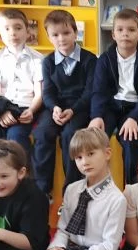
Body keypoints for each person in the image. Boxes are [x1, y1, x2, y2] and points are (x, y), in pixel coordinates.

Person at [32, 10, 97, 198]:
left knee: (71, 135)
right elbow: (48, 91)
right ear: (49, 37)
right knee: (42, 133)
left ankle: (71, 190)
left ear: (76, 33)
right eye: (55, 35)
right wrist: (54, 108)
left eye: (66, 33)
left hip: (80, 107)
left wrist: (73, 110)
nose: (61, 38)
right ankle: (43, 190)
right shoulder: (48, 62)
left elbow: (90, 91)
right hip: (56, 107)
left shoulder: (90, 60)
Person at [90, 8, 138, 186]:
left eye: (131, 30)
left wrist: (135, 118)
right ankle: (96, 185)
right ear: (113, 34)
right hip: (111, 107)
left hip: (135, 109)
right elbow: (99, 91)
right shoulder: (104, 60)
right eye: (120, 29)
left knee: (130, 140)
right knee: (96, 139)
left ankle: (132, 187)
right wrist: (96, 116)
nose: (125, 34)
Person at [0, 8, 44, 158]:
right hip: (0, 107)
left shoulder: (38, 59)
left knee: (16, 137)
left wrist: (31, 111)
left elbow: (39, 94)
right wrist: (1, 112)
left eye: (18, 28)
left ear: (27, 31)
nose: (13, 33)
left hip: (24, 109)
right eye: (6, 29)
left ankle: (20, 173)